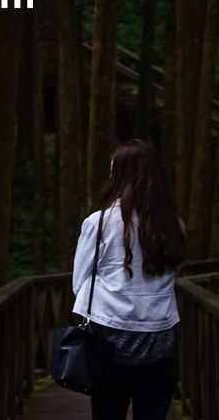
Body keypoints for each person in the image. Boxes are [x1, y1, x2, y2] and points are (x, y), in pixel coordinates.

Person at [71, 139, 187, 420]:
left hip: (108, 339)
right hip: (161, 339)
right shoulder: (175, 225)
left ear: (121, 175)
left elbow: (80, 282)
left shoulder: (98, 222)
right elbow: (174, 274)